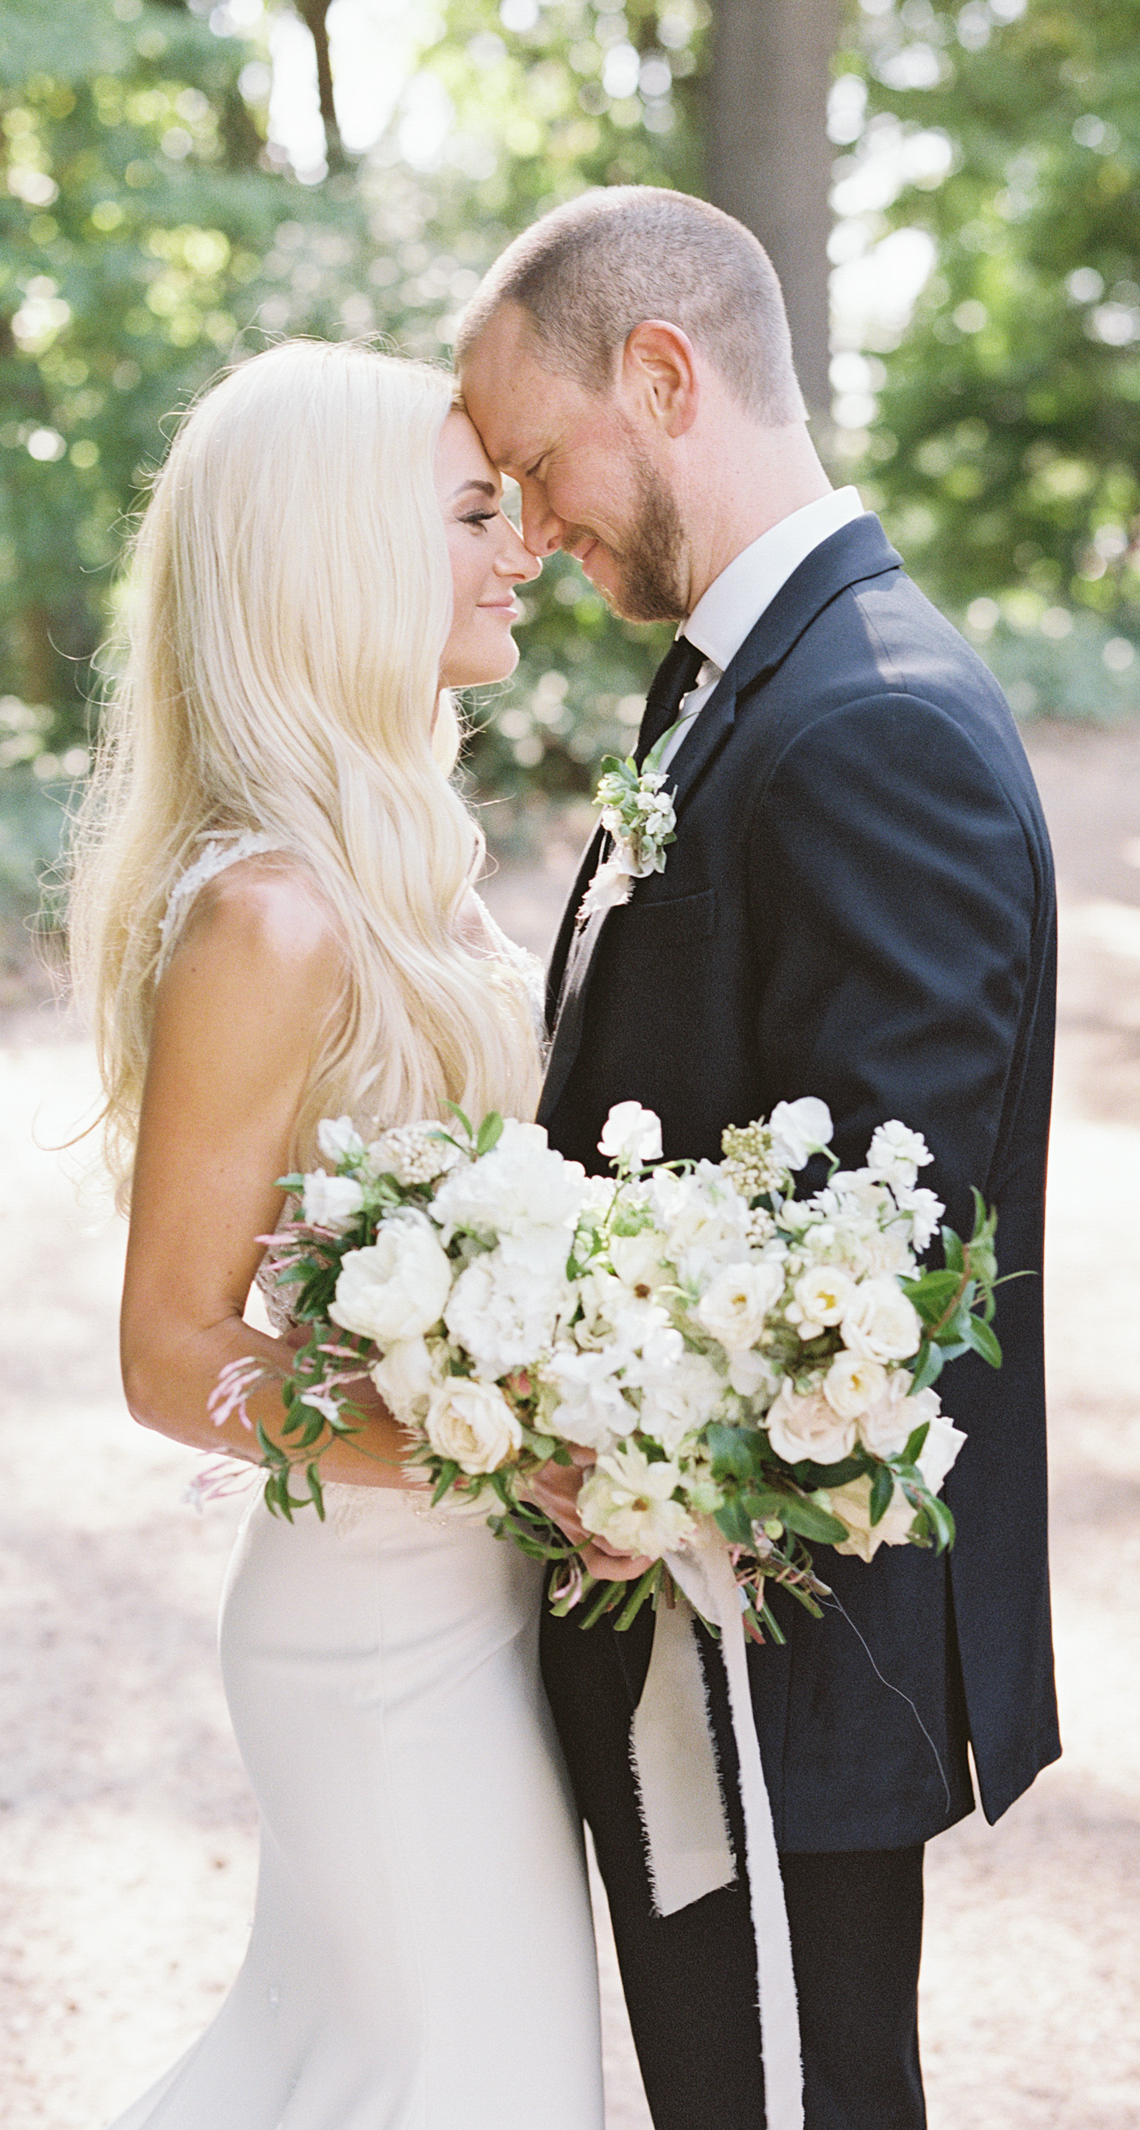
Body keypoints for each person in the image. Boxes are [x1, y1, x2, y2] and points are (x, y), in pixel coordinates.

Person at [457, 187, 1061, 2130]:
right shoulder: (754, 684)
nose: (530, 528)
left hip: (763, 1658)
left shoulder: (869, 721)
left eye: (537, 464)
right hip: (681, 1648)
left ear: (660, 375)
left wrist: (603, 1445)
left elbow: (879, 1258)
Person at [68, 339, 605, 2130]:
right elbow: (167, 1350)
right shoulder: (272, 916)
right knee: (470, 2078)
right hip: (369, 1637)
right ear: (339, 557)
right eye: (471, 510)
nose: (519, 541)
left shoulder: (409, 869)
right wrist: (503, 1451)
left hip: (474, 1599)